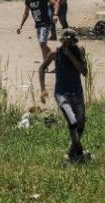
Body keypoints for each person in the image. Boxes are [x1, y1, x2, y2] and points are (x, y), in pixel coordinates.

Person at [39, 28, 90, 162]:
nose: (65, 45)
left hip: (77, 93)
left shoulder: (79, 51)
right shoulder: (55, 53)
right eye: (63, 42)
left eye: (69, 42)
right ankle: (78, 151)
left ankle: (72, 153)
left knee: (80, 126)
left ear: (74, 42)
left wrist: (71, 56)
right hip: (62, 94)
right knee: (72, 122)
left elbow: (84, 71)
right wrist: (43, 89)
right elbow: (42, 68)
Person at [17, 0, 54, 64]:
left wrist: (55, 14)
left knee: (42, 43)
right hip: (38, 25)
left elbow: (54, 3)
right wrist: (20, 26)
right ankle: (56, 57)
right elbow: (26, 13)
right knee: (43, 45)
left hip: (45, 23)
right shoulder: (28, 0)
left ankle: (45, 65)